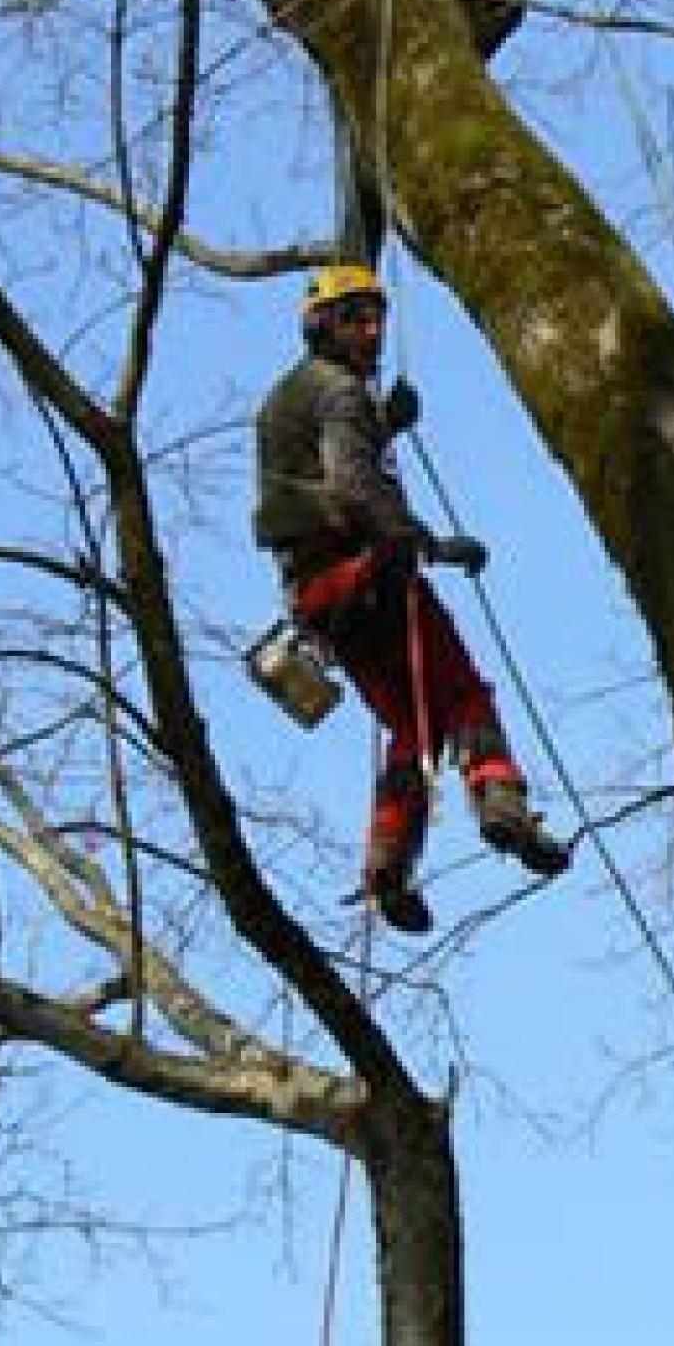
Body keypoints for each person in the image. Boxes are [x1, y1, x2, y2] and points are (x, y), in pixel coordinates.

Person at [252, 262, 571, 934]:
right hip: (371, 576)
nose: (370, 332)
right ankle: (499, 798)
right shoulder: (339, 393)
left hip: (317, 599)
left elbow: (316, 471)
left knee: (410, 727)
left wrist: (385, 426)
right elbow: (352, 485)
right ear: (321, 326)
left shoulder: (285, 399)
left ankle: (387, 863)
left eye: (376, 319)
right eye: (354, 319)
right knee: (462, 695)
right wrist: (425, 544)